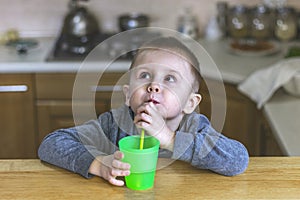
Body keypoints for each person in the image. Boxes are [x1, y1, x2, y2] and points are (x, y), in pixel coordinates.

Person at [38, 36, 249, 187]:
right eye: (145, 75)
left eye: (170, 79)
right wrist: (98, 163)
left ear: (190, 103)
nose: (154, 86)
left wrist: (170, 138)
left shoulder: (194, 126)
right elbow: (51, 144)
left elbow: (238, 160)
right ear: (128, 95)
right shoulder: (113, 124)